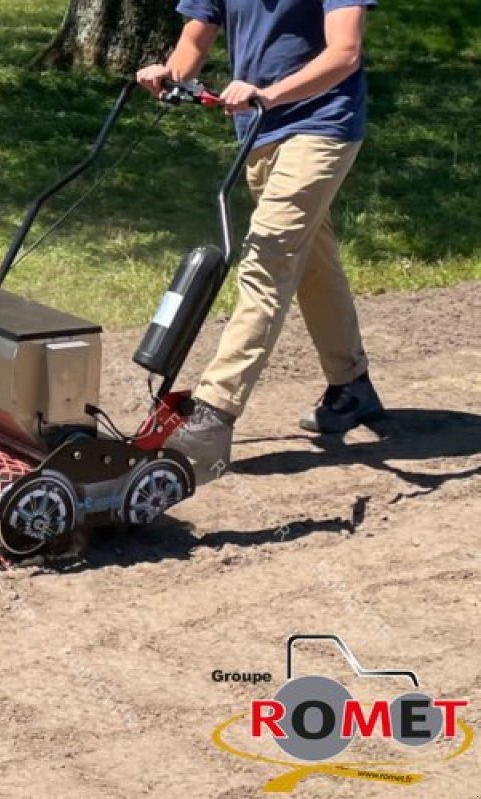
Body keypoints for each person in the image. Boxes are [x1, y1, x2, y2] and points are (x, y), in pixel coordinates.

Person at [136, 0, 383, 477]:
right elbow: (195, 36)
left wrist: (268, 93)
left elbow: (345, 53)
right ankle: (352, 385)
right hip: (259, 129)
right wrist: (170, 73)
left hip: (322, 125)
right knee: (311, 259)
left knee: (267, 256)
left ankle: (213, 412)